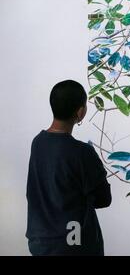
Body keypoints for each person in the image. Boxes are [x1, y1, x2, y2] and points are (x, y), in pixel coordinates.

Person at [26, 80, 111, 256]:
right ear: (80, 112)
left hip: (40, 243)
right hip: (73, 245)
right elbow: (103, 199)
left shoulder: (38, 142)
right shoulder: (82, 153)